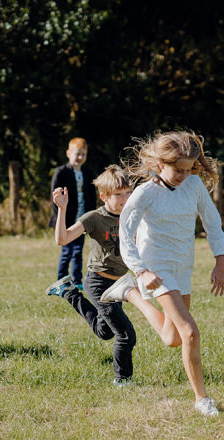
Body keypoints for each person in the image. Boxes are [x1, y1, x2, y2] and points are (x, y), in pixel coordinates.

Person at [113, 131, 224, 416]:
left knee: (172, 339)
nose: (184, 175)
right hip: (156, 268)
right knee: (190, 333)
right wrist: (141, 270)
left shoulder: (193, 186)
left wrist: (220, 261)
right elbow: (125, 235)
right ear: (161, 163)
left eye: (189, 169)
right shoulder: (145, 193)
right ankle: (202, 400)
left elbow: (212, 221)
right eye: (178, 169)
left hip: (182, 266)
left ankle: (131, 294)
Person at [46, 165, 138, 385]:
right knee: (126, 334)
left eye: (128, 192)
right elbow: (62, 239)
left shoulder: (132, 216)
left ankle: (69, 292)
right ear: (103, 196)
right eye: (118, 194)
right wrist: (62, 209)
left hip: (120, 283)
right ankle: (122, 380)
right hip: (98, 283)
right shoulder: (94, 218)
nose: (124, 198)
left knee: (104, 332)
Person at [49, 138, 100, 282]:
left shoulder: (87, 173)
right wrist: (60, 216)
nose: (80, 157)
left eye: (83, 155)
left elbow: (91, 196)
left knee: (78, 251)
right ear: (68, 153)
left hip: (81, 220)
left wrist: (91, 216)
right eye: (77, 154)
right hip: (66, 219)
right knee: (67, 251)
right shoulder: (61, 172)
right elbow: (54, 197)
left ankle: (77, 280)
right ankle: (62, 279)